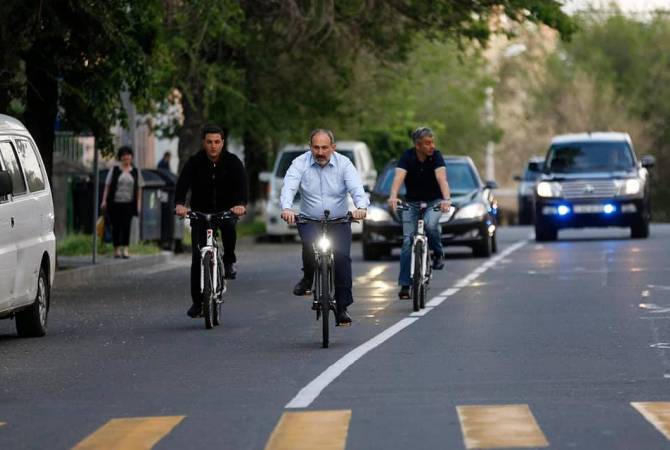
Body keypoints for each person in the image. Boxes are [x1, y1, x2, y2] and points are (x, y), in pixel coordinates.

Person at [280, 129, 368, 326]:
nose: (320, 152)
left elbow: (356, 188)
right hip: (309, 220)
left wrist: (361, 207)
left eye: (324, 148)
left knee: (343, 258)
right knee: (310, 244)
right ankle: (307, 278)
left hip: (339, 221)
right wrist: (286, 207)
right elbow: (289, 186)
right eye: (316, 147)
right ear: (310, 147)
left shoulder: (344, 164)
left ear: (333, 148)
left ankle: (343, 307)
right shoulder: (299, 163)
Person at [175, 124, 248, 318]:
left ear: (222, 142)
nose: (213, 146)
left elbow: (242, 186)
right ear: (203, 143)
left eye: (217, 142)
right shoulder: (194, 162)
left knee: (230, 226)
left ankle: (229, 260)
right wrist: (180, 204)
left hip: (225, 211)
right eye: (209, 142)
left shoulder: (233, 162)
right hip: (201, 213)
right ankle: (198, 303)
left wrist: (240, 204)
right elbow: (182, 184)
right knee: (197, 257)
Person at [387, 127, 452, 299]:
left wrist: (446, 199)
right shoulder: (407, 157)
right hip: (412, 203)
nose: (432, 146)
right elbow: (398, 178)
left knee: (431, 225)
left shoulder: (436, 156)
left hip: (435, 201)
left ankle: (438, 253)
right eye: (428, 143)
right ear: (418, 145)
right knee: (408, 241)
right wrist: (393, 196)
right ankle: (405, 285)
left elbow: (442, 179)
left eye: (433, 142)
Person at [101, 146, 142, 259]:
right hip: (115, 203)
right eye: (123, 155)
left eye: (128, 155)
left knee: (126, 226)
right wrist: (104, 200)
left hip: (129, 203)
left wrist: (138, 204)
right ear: (120, 157)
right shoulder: (114, 170)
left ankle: (126, 249)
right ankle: (116, 249)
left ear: (131, 157)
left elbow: (139, 189)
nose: (126, 157)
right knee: (116, 226)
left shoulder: (135, 171)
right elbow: (107, 186)